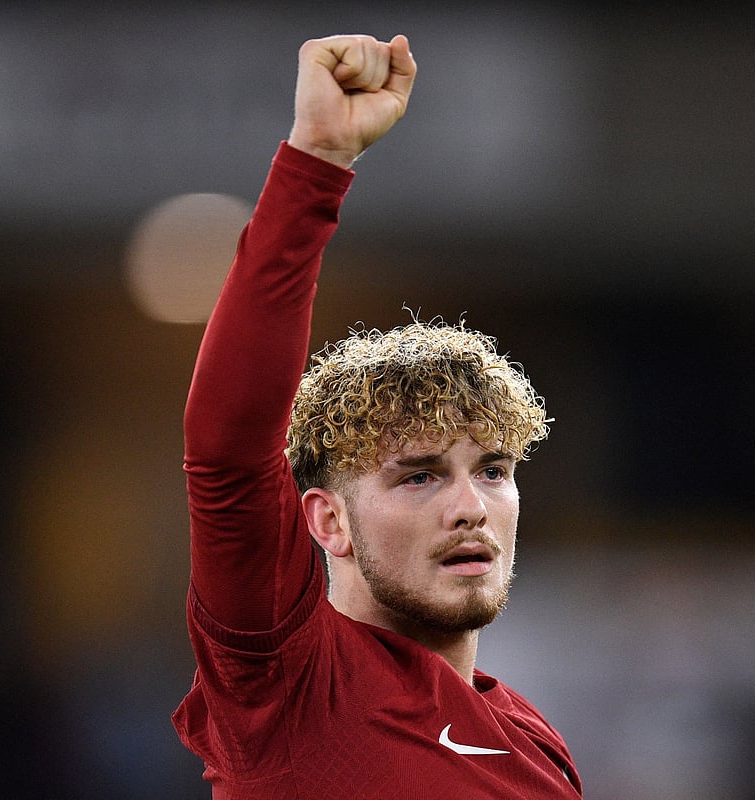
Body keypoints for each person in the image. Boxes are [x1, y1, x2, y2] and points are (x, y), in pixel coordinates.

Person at [172, 34, 582, 798]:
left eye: (492, 471)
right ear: (327, 522)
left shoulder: (532, 744)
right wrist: (317, 163)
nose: (471, 508)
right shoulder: (288, 685)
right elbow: (227, 452)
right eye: (420, 477)